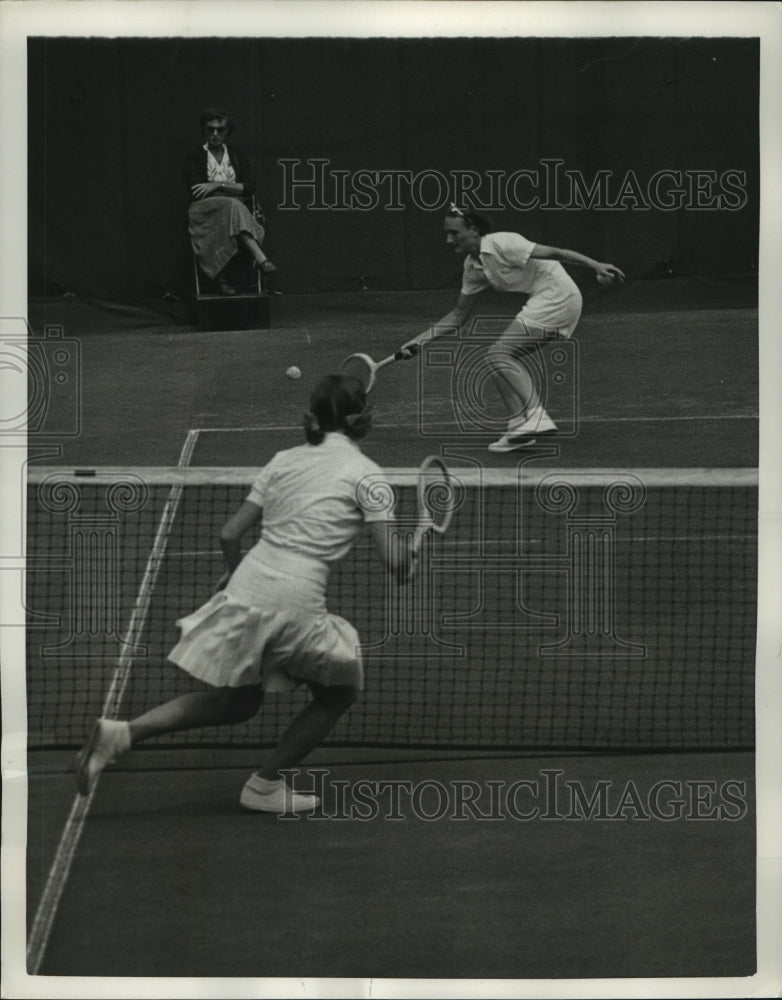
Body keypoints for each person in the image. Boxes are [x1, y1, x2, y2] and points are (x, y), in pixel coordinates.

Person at [75, 375, 425, 813]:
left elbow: (229, 533)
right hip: (295, 597)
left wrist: (236, 579)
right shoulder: (368, 476)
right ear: (364, 421)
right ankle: (264, 786)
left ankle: (122, 734)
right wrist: (411, 556)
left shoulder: (282, 459)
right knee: (339, 691)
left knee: (238, 701)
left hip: (249, 581)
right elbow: (396, 566)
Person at [399, 204, 625, 452]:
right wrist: (419, 341)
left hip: (558, 296)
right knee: (494, 359)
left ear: (473, 229)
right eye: (447, 233)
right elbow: (458, 314)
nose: (448, 239)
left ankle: (537, 416)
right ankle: (518, 424)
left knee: (499, 354)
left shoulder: (502, 243)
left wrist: (595, 265)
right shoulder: (472, 267)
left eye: (454, 232)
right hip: (545, 299)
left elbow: (554, 252)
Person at [184, 106, 277, 297]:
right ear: (204, 130)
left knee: (233, 207)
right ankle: (261, 259)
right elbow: (196, 190)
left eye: (220, 130)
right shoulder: (193, 157)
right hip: (205, 211)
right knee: (234, 204)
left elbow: (250, 187)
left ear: (227, 132)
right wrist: (230, 187)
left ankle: (221, 278)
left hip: (234, 209)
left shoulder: (237, 156)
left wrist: (214, 185)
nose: (215, 134)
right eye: (211, 129)